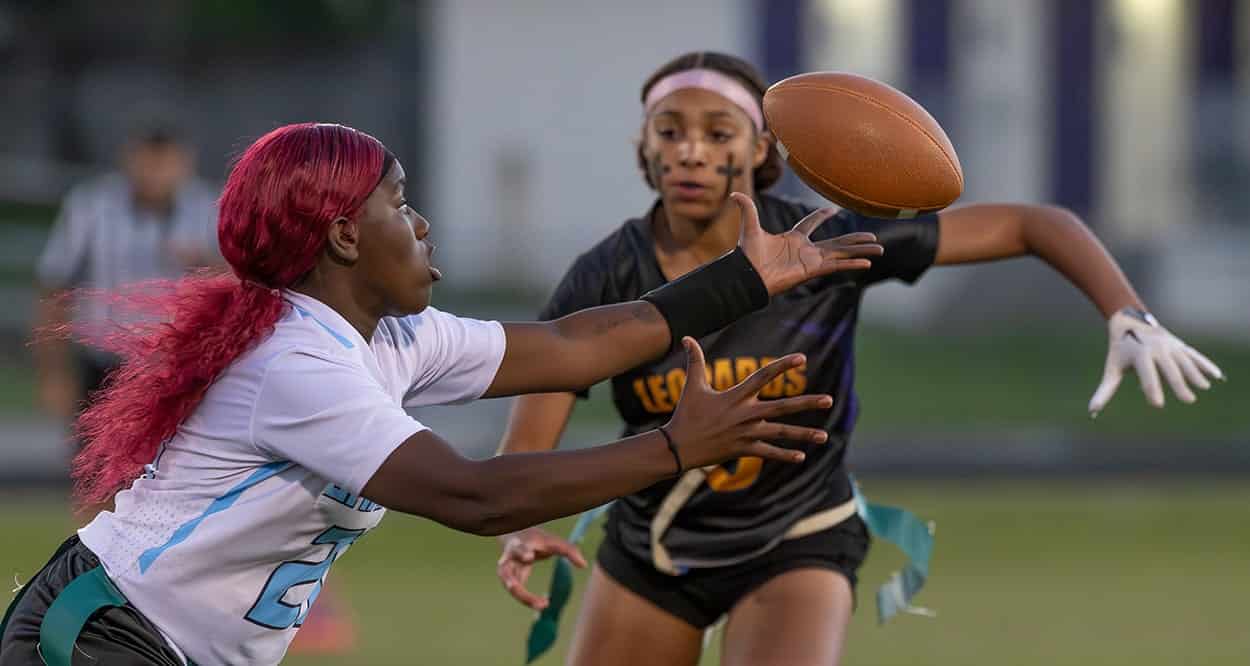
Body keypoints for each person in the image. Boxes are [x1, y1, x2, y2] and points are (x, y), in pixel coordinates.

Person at [0, 122, 883, 666]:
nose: (420, 222)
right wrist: (672, 448)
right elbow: (474, 496)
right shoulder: (294, 363)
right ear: (344, 235)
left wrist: (744, 280)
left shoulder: (391, 335)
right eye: (399, 201)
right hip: (101, 639)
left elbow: (576, 348)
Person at [492, 52, 1226, 666]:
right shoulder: (605, 276)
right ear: (644, 149)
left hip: (797, 533)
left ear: (762, 152)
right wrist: (522, 525)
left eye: (719, 131)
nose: (691, 149)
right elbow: (530, 435)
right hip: (653, 545)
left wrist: (1127, 312)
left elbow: (1034, 224)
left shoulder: (827, 243)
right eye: (670, 130)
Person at [32, 122, 220, 427]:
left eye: (166, 163)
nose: (156, 173)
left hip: (178, 365)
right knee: (99, 467)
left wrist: (205, 263)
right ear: (128, 160)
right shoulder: (92, 206)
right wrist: (54, 372)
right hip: (103, 364)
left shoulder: (208, 208)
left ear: (186, 164)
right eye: (148, 161)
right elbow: (54, 288)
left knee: (172, 467)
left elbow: (240, 285)